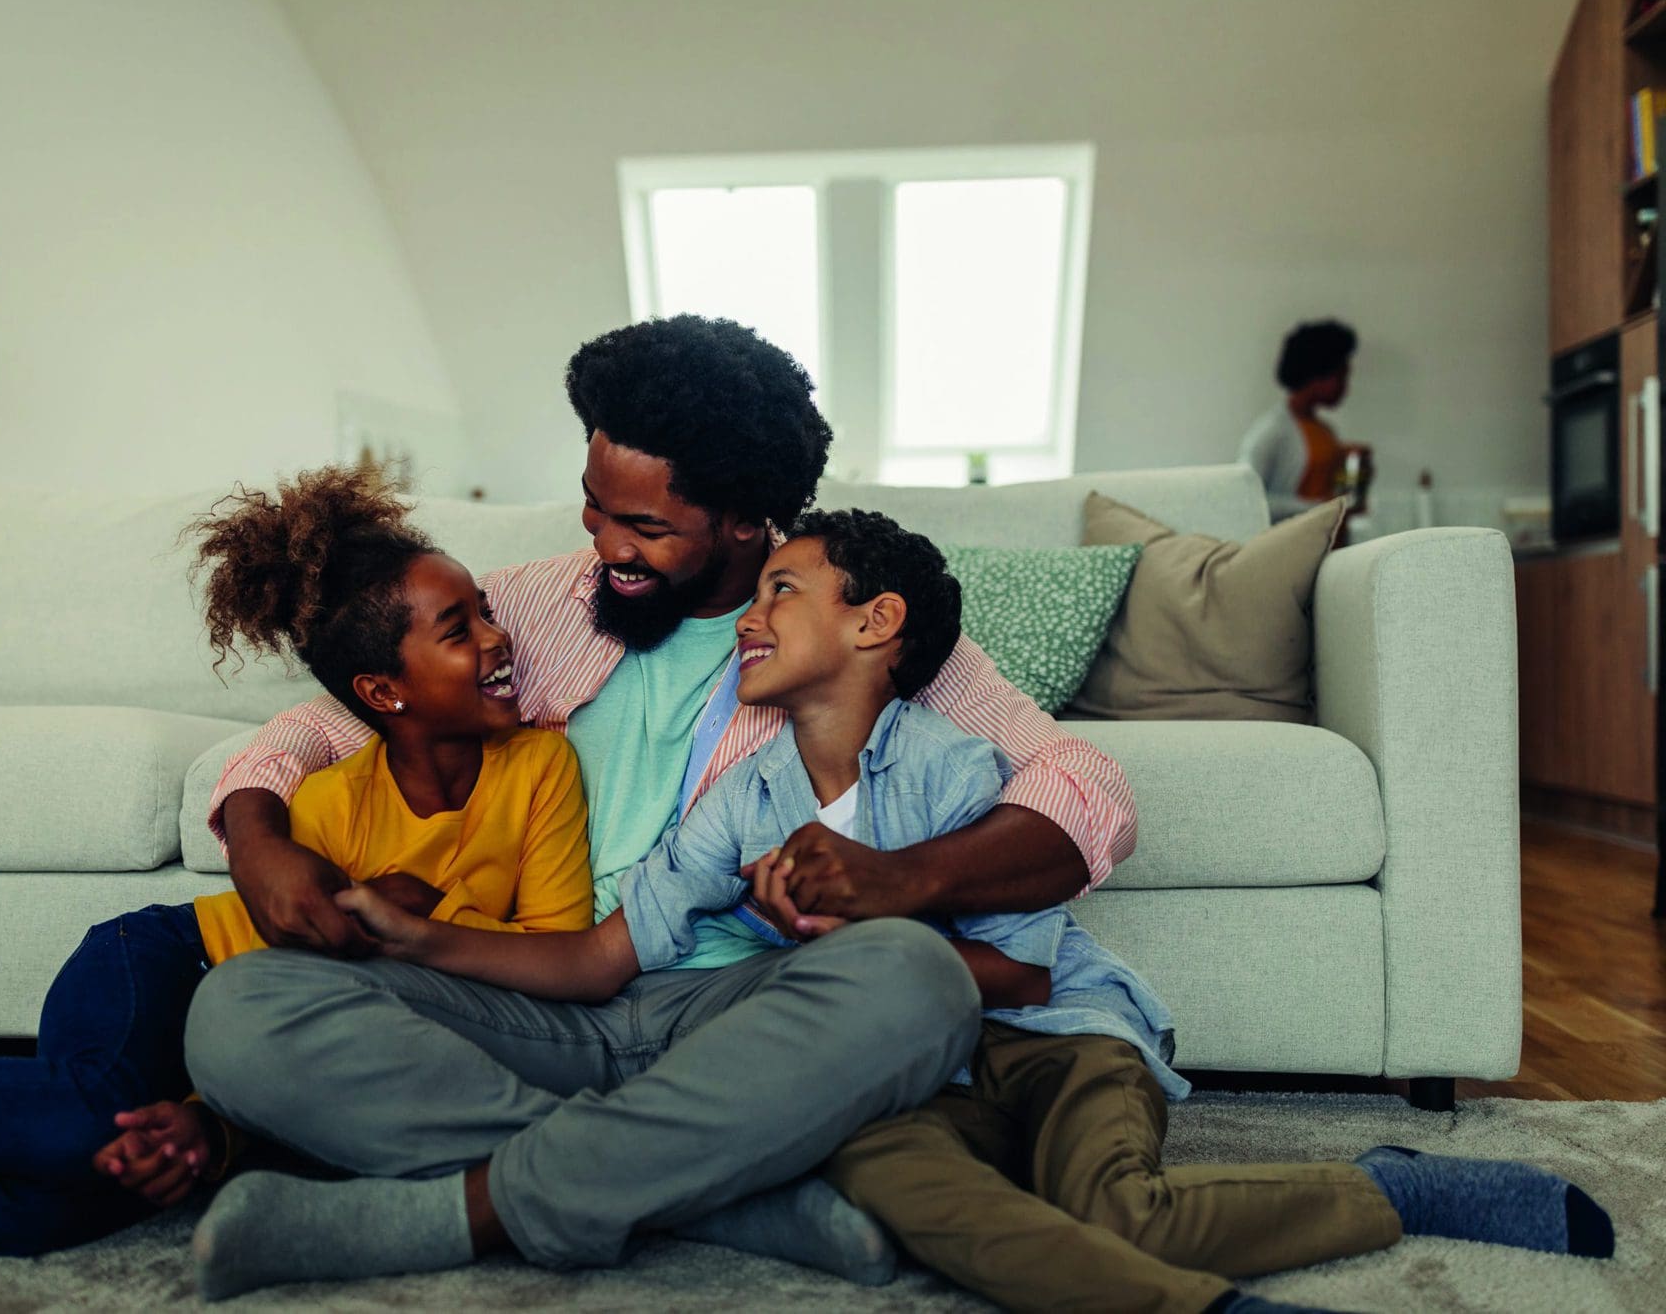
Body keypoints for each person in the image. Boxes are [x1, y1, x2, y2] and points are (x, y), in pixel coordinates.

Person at [294, 511, 1616, 1313]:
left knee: (1116, 1207)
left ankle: (1380, 1194)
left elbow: (1028, 977)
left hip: (1048, 1036)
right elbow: (603, 953)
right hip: (895, 1073)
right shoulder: (743, 802)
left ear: (875, 624)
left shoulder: (952, 767)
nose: (746, 618)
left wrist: (862, 929)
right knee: (925, 1216)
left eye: (778, 593)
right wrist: (419, 938)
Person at [181, 315, 1133, 1294]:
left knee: (916, 979)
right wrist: (256, 833)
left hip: (737, 1019)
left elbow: (1085, 788)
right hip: (529, 995)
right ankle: (718, 1190)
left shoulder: (845, 627)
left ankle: (460, 1208)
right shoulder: (544, 605)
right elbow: (320, 725)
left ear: (740, 518)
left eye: (642, 526)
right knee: (237, 1011)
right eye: (594, 507)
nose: (602, 543)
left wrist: (903, 877)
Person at [0, 465, 592, 1256]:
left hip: (269, 1027)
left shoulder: (543, 766)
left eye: (485, 613)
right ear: (382, 690)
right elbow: (285, 991)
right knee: (84, 1122)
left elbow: (548, 961)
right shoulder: (332, 801)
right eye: (459, 628)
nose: (498, 637)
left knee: (89, 1189)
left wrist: (208, 1132)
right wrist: (208, 1118)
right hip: (169, 971)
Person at [1238, 319, 1359, 519]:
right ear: (1317, 374)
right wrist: (1315, 506)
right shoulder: (1272, 430)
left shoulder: (1325, 431)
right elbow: (1246, 498)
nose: (1345, 388)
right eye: (1340, 377)